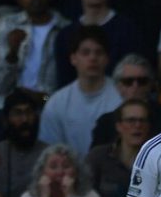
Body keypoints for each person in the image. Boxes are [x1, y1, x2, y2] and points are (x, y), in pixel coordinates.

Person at [38, 26, 124, 158]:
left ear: (107, 58)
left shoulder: (121, 96)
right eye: (85, 52)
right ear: (73, 58)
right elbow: (50, 151)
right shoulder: (56, 103)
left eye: (99, 52)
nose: (93, 58)